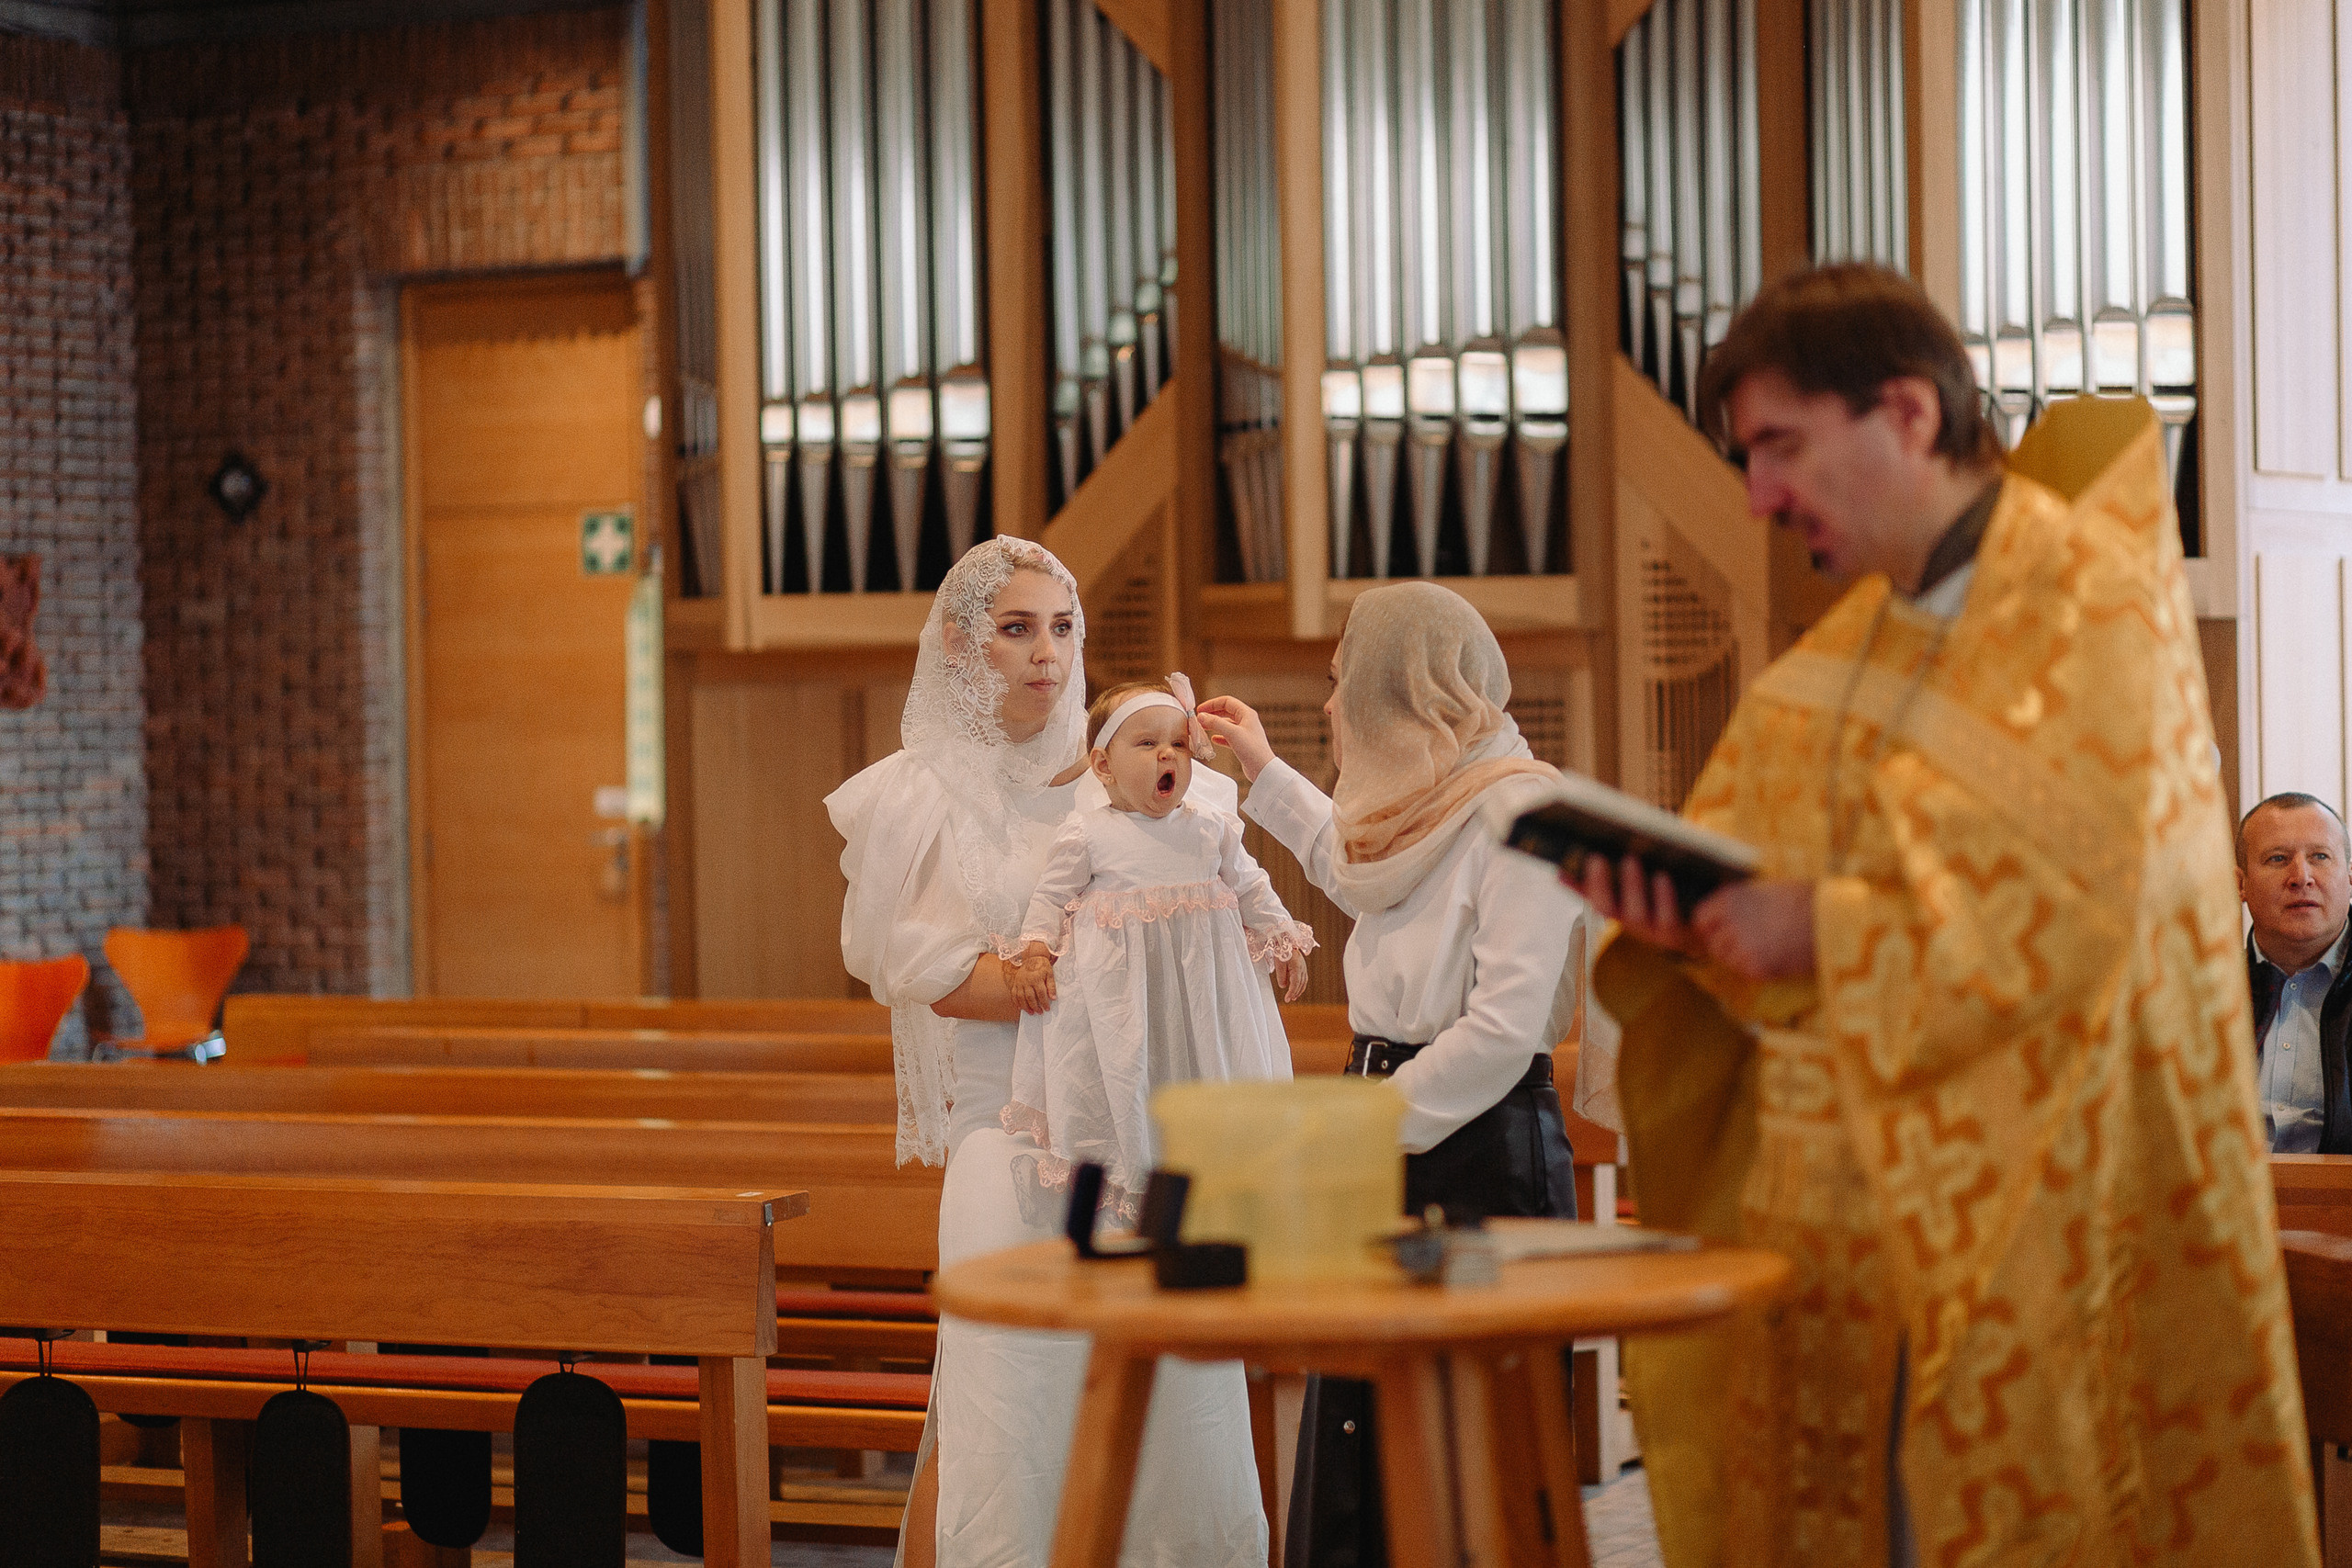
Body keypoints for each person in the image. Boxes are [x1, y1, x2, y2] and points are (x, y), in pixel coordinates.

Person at [1577, 264, 2314, 1567]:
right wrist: (1692, 927)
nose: (1757, 495)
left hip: (2041, 1219)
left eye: (1780, 446)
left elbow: (2081, 908)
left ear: (1907, 413)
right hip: (1833, 1233)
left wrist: (1825, 928)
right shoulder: (1841, 649)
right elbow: (1770, 905)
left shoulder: (2090, 603)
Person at [827, 538, 1266, 1568]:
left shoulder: (1145, 775)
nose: (1045, 654)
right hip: (1009, 1135)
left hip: (1145, 1141)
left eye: (1061, 628)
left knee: (1172, 1414)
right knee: (1003, 1423)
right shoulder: (916, 798)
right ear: (959, 644)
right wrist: (1091, 983)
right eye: (1017, 629)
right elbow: (926, 975)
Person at [1195, 580, 1600, 1568]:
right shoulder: (1423, 808)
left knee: (1472, 1455)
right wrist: (1262, 765)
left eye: (1342, 683)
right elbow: (1351, 863)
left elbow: (1504, 1029)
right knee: (1360, 1430)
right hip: (1392, 1129)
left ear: (1398, 691)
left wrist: (1361, 1127)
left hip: (1480, 1148)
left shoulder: (1525, 809)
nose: (1331, 706)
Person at [1001, 675, 1314, 1224]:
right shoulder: (1088, 834)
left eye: (1178, 743)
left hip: (1204, 997)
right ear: (1104, 766)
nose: (1168, 752)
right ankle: (1136, 1186)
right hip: (1126, 1003)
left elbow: (1250, 883)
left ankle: (1213, 1185)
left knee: (1209, 1077)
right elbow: (1049, 899)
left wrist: (1283, 937)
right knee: (1131, 1079)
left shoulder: (1209, 827)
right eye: (1146, 743)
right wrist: (1033, 953)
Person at [2240, 792, 2352, 1153]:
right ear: (2241, 883)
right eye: (2278, 859)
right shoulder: (2201, 993)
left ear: (2350, 877)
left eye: (2320, 856)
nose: (2301, 877)